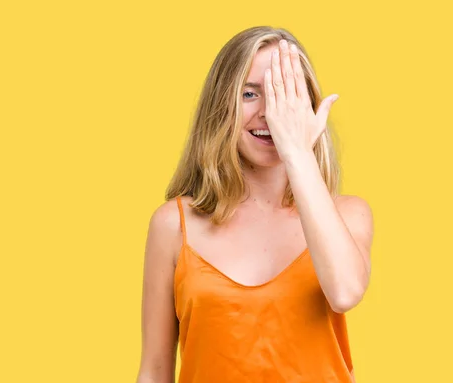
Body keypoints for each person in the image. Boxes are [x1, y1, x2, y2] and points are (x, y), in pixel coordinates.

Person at [136, 26, 374, 383]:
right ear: (222, 104)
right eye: (250, 93)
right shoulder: (172, 225)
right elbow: (154, 372)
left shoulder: (348, 215)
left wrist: (296, 150)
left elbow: (343, 292)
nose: (268, 113)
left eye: (284, 94)